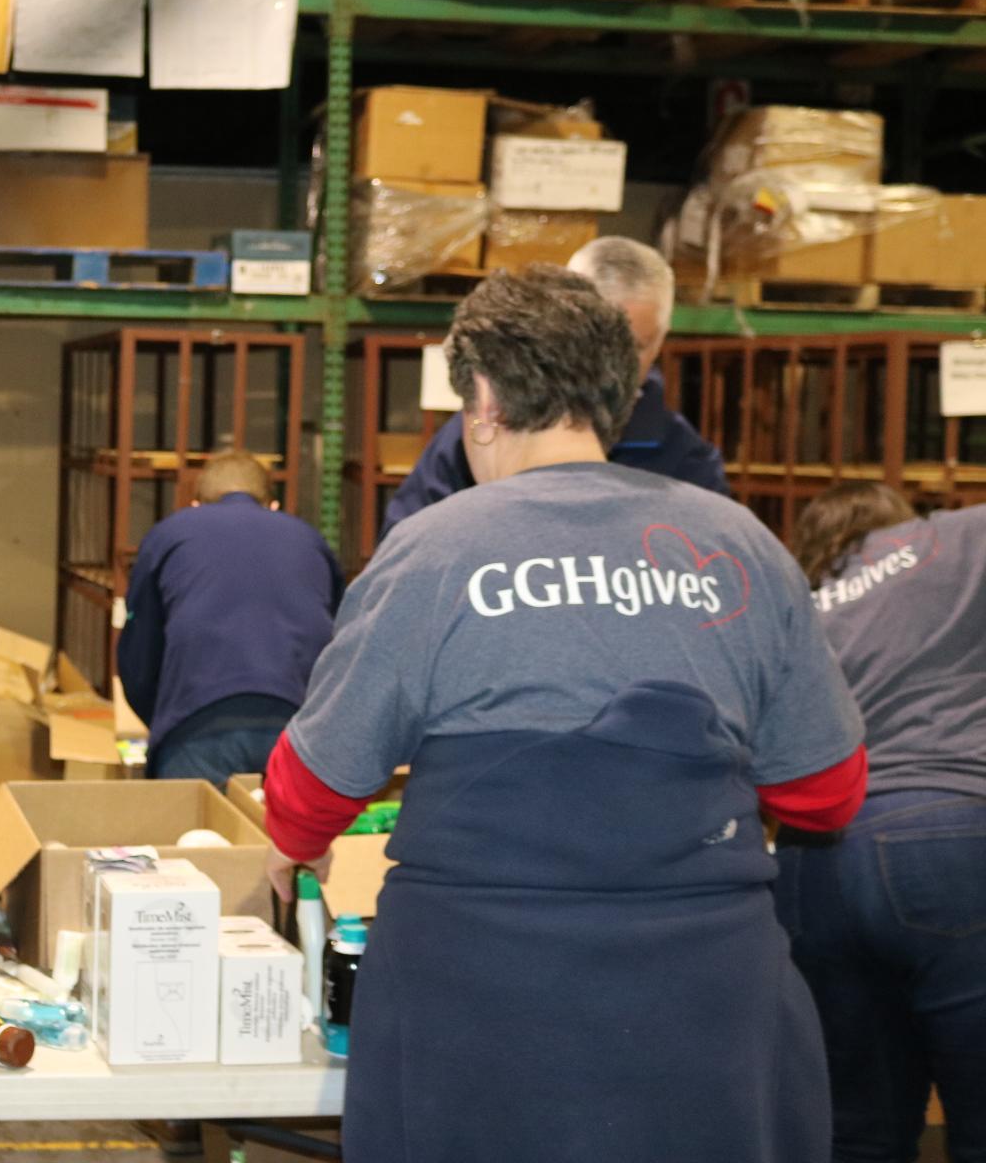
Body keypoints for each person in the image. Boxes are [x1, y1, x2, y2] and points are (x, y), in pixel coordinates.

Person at [263, 266, 869, 1163]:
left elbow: (311, 791)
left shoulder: (434, 550)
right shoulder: (739, 545)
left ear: (484, 398)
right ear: (617, 396)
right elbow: (828, 792)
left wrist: (295, 843)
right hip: (702, 1003)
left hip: (479, 1003)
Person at [781, 482, 986, 1162]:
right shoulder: (947, 541)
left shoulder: (793, 605)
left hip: (810, 864)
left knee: (858, 1129)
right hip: (943, 834)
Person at [380, 236, 727, 540]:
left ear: (662, 341)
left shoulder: (687, 462)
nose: (614, 361)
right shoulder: (476, 435)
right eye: (596, 336)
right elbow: (408, 547)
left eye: (634, 345)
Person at [116, 450, 343, 787]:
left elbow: (139, 654)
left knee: (197, 837)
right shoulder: (310, 539)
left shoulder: (170, 533)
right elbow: (341, 640)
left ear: (195, 504)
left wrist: (166, 719)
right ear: (273, 506)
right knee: (290, 839)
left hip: (199, 721)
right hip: (299, 726)